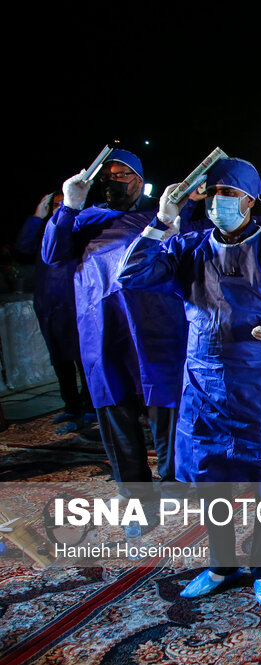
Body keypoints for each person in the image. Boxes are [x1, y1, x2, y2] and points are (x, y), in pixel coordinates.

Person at [119, 157, 261, 605]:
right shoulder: (188, 247)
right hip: (204, 380)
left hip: (257, 380)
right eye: (213, 194)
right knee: (212, 479)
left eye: (229, 194)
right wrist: (163, 221)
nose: (218, 203)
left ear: (249, 200)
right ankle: (221, 563)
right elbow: (130, 275)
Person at [41, 149, 185, 510]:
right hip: (102, 326)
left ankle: (174, 483)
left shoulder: (158, 215)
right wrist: (69, 206)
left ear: (139, 179)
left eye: (123, 174)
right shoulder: (86, 218)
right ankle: (136, 496)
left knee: (166, 408)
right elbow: (50, 253)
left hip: (156, 325)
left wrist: (173, 223)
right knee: (115, 408)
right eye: (108, 175)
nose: (113, 180)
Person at [14, 191, 94, 427]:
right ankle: (71, 406)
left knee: (83, 359)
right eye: (55, 206)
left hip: (76, 305)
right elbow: (22, 248)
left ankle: (90, 405)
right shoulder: (46, 234)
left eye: (64, 204)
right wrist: (37, 217)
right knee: (59, 360)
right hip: (49, 307)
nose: (59, 209)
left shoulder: (81, 233)